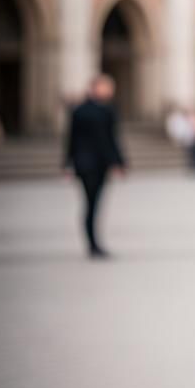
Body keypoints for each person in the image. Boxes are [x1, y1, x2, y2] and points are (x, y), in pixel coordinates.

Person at [61, 73, 128, 258]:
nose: (110, 91)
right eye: (107, 87)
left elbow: (111, 139)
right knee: (91, 204)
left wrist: (119, 162)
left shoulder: (99, 110)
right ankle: (92, 243)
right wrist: (67, 163)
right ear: (95, 88)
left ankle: (93, 243)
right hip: (90, 164)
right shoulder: (88, 111)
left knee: (93, 204)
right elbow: (73, 139)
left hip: (93, 164)